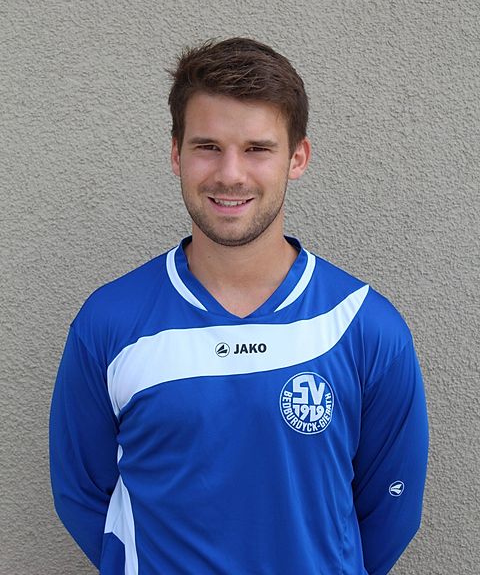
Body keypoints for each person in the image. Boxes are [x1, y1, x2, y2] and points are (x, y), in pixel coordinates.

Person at [50, 37, 428, 575]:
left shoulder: (364, 326)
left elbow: (391, 506)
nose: (230, 174)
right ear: (176, 154)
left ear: (297, 157)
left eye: (257, 149)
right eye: (208, 146)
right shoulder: (110, 322)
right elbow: (81, 492)